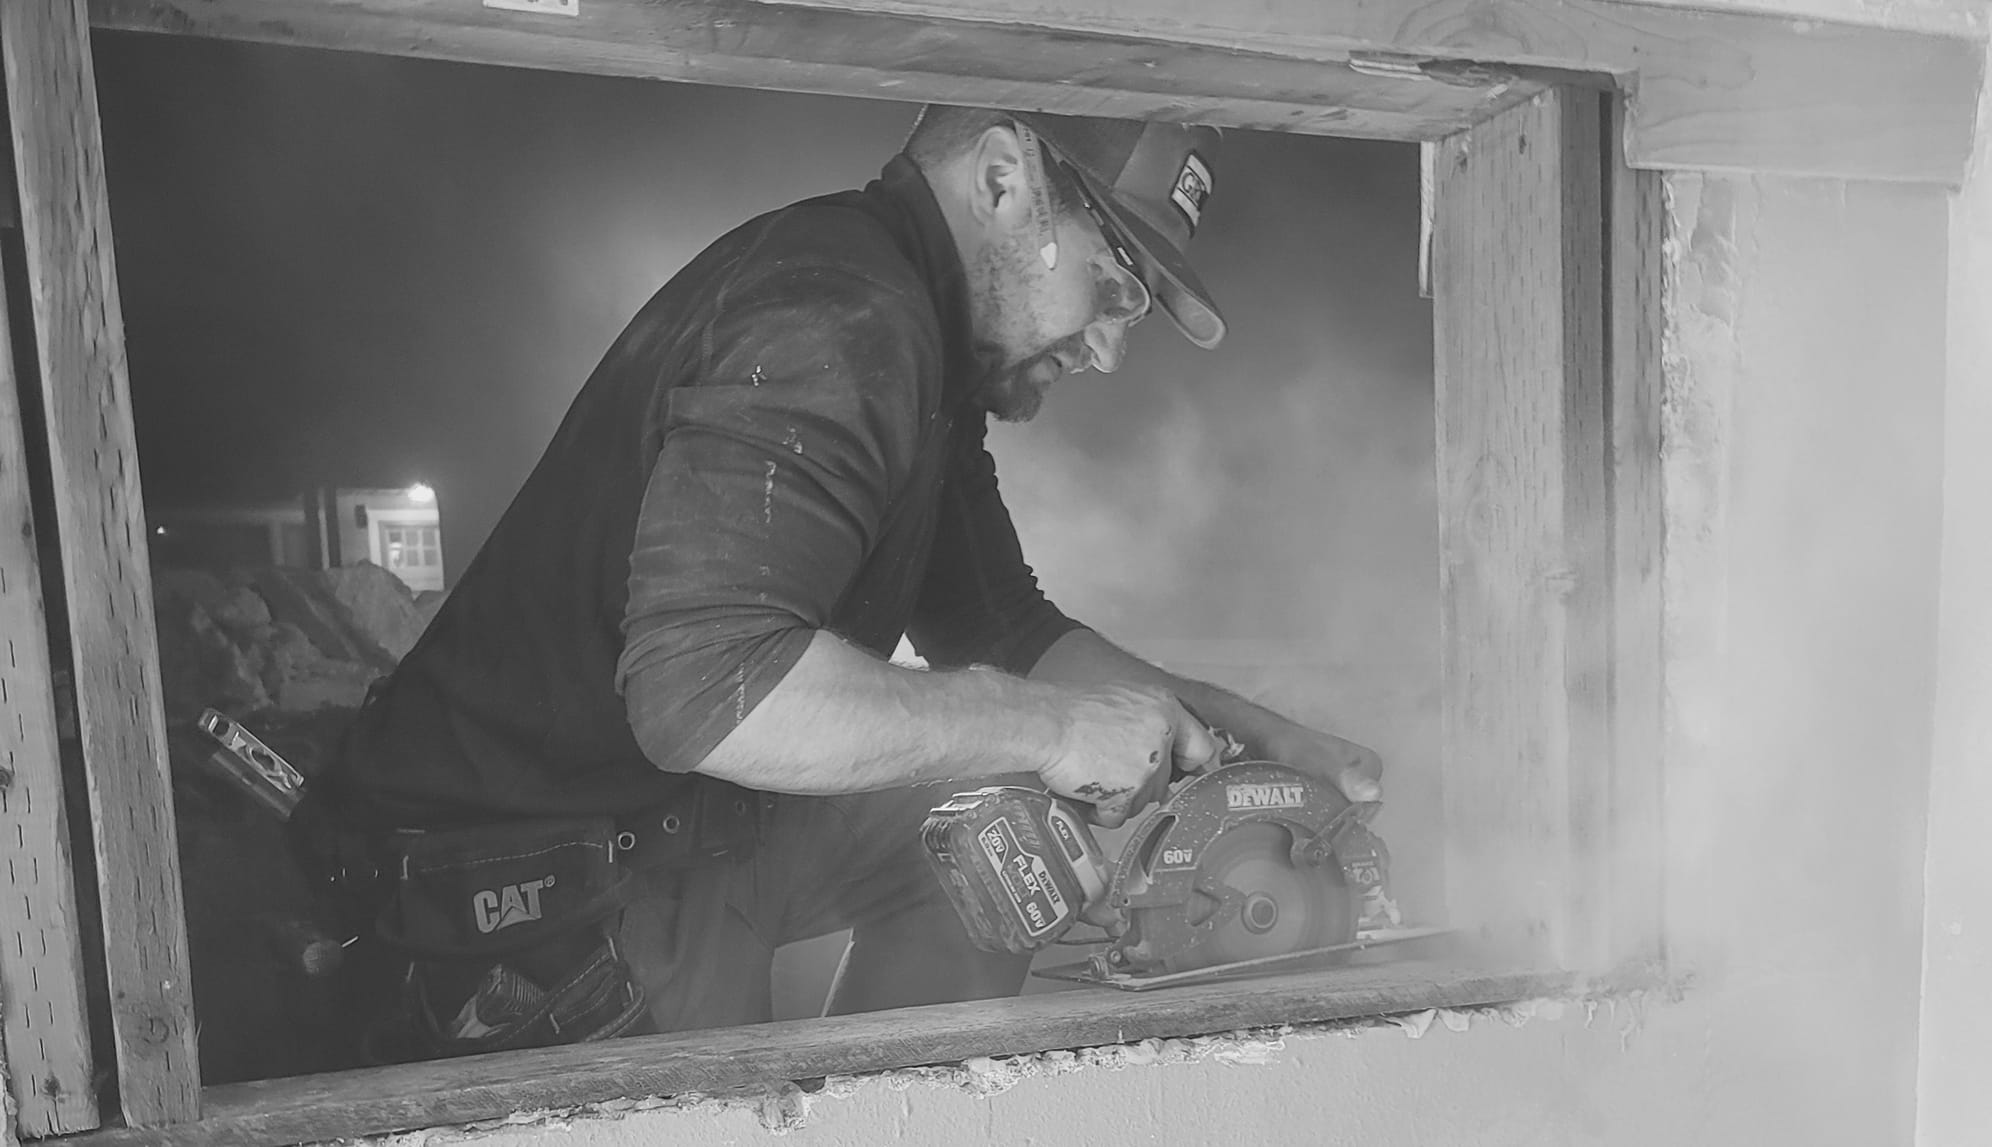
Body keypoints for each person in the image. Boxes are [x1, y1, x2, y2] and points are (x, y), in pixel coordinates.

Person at [288, 106, 1384, 1064]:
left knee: (987, 843)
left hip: (663, 820)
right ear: (1001, 181)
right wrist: (1051, 730)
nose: (1108, 349)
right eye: (1114, 282)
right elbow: (705, 691)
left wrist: (1245, 739)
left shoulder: (917, 345)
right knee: (1010, 781)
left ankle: (900, 1103)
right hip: (527, 886)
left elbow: (1001, 623)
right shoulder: (837, 317)